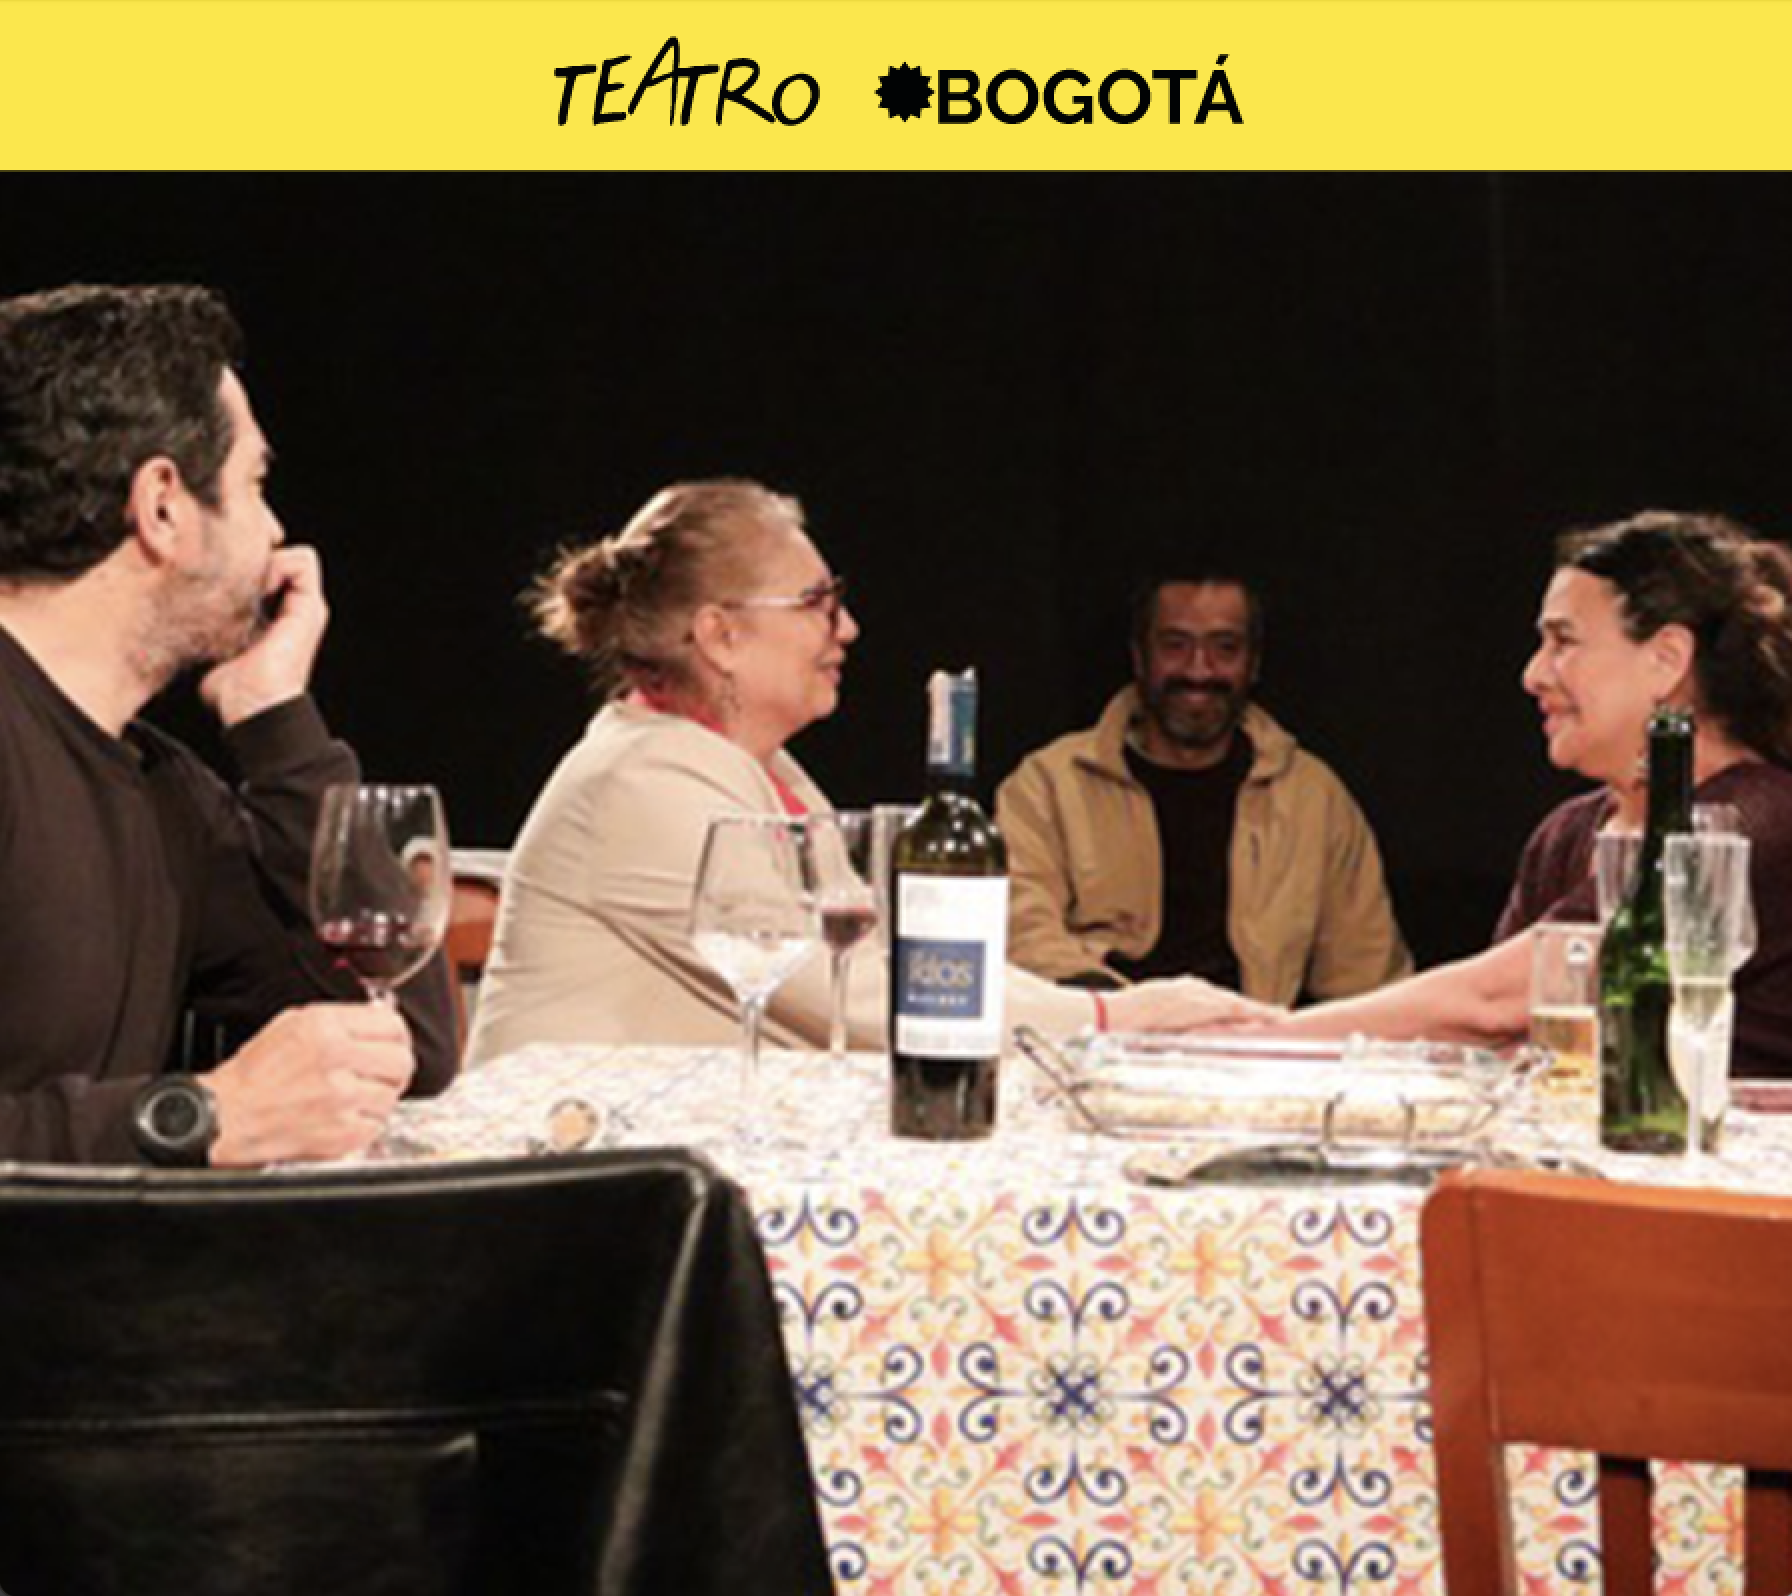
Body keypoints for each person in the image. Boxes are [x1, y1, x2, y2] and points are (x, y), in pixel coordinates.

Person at [467, 481, 1269, 1063]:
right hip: (573, 1185)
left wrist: (1097, 1016)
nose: (846, 627)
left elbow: (894, 967)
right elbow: (854, 993)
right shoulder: (642, 783)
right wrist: (1108, 1019)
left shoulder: (760, 770)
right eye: (817, 602)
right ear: (720, 635)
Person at [0, 283, 457, 1164]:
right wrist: (198, 1117)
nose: (277, 531)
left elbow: (408, 1048)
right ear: (163, 507)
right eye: (255, 484)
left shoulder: (165, 792)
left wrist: (275, 717)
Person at [1262, 510, 1792, 1076]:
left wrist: (1261, 1036)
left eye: (1563, 641)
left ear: (1666, 659)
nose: (1533, 674)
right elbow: (1499, 1052)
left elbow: (1493, 1006)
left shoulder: (1751, 825)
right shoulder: (1565, 834)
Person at [995, 572, 1411, 1005]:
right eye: (1175, 645)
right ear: (1139, 658)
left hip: (1255, 1039)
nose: (1199, 669)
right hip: (1100, 1031)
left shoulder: (1314, 798)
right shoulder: (1049, 785)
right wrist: (1124, 1014)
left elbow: (1367, 980)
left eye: (1225, 648)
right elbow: (1020, 932)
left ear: (1253, 664)